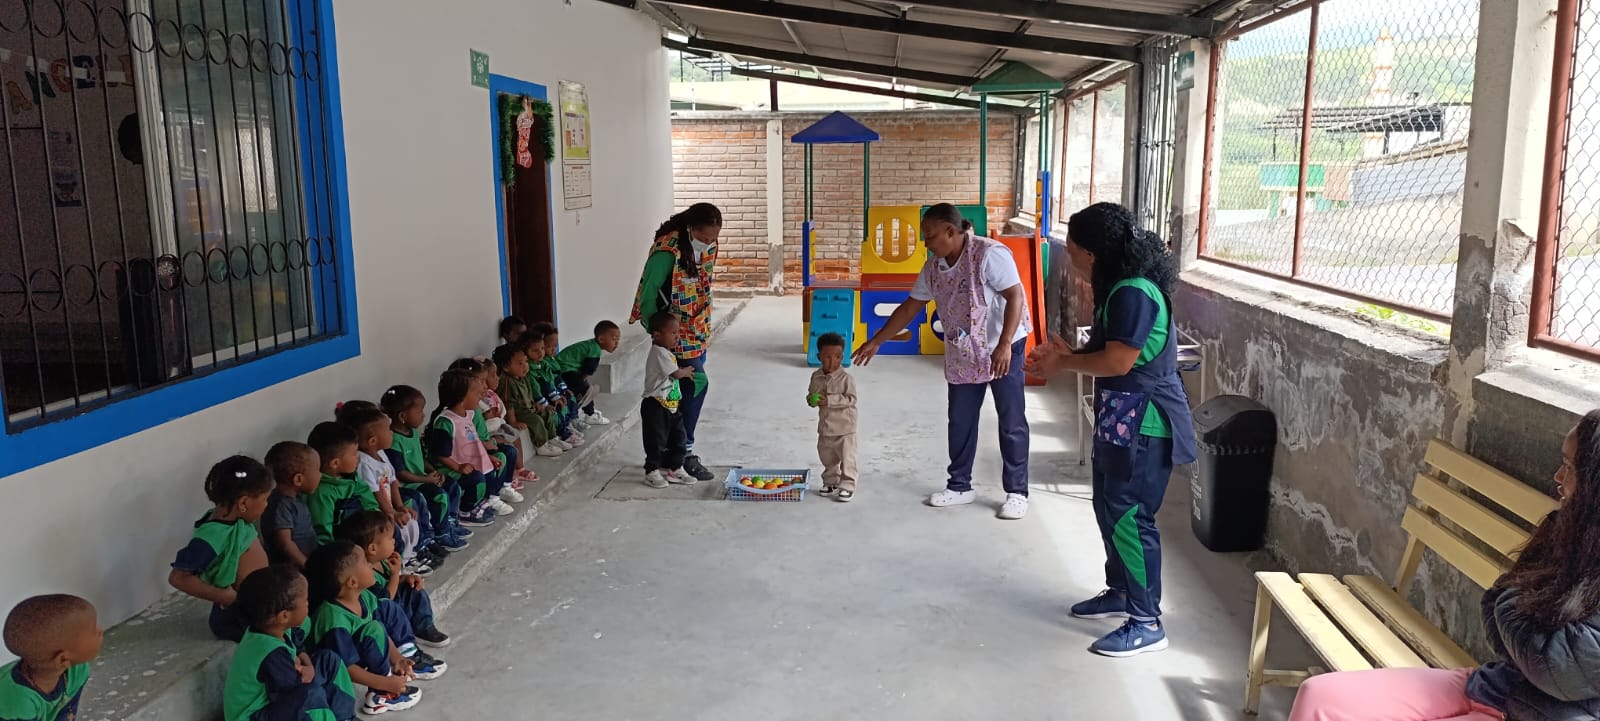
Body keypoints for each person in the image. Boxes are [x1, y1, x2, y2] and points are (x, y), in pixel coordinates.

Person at [1283, 409, 1600, 721]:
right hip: (1494, 687)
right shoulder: (1568, 531)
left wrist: (1518, 606)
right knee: (1319, 696)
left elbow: (1557, 667)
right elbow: (1496, 616)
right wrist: (1521, 615)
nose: (1557, 477)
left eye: (1569, 466)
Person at [1023, 202, 1196, 657]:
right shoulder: (1118, 288)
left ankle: (1146, 621)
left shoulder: (1134, 292)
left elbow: (1119, 362)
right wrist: (1066, 354)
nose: (1069, 256)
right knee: (1108, 505)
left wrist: (1064, 364)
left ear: (1092, 253)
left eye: (1072, 248)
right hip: (1121, 417)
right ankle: (1121, 590)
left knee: (1130, 515)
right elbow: (1108, 351)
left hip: (1146, 420)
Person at [853, 203, 1033, 521]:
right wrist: (877, 340)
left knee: (1011, 418)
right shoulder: (933, 268)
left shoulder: (989, 255)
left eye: (930, 235)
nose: (927, 243)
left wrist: (1005, 344)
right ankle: (960, 486)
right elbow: (910, 307)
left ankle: (1017, 492)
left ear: (951, 231)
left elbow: (1015, 296)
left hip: (1003, 345)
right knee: (960, 419)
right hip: (965, 350)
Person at [629, 202, 721, 482]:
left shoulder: (708, 247)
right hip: (673, 334)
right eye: (704, 238)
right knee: (696, 384)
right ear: (691, 228)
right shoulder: (666, 252)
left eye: (714, 238)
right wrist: (658, 334)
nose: (709, 243)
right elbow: (648, 294)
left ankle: (671, 455)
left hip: (697, 329)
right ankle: (684, 452)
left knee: (676, 395)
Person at [223, 565, 357, 721]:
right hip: (254, 716)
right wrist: (304, 673)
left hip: (274, 702)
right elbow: (295, 693)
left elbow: (298, 647)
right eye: (305, 601)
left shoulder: (273, 629)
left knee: (329, 661)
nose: (308, 604)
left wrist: (308, 666)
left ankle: (346, 718)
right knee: (310, 696)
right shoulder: (270, 653)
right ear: (284, 616)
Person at [304, 541, 421, 716]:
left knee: (375, 627)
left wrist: (397, 658)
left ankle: (383, 683)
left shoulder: (364, 596)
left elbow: (380, 633)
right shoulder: (333, 618)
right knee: (372, 629)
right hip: (335, 673)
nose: (371, 565)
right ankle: (379, 695)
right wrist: (384, 682)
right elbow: (347, 668)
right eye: (366, 562)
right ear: (352, 582)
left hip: (357, 655)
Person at [170, 455, 274, 641]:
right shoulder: (213, 536)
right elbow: (178, 578)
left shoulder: (235, 522)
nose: (266, 505)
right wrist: (225, 597)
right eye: (265, 500)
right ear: (243, 503)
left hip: (257, 604)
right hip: (238, 617)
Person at [335, 512, 451, 661]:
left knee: (414, 588)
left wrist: (405, 577)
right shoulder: (364, 574)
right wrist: (396, 575)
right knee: (389, 606)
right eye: (390, 539)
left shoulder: (382, 561)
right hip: (386, 616)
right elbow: (386, 598)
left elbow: (389, 583)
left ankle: (424, 626)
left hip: (396, 605)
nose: (394, 541)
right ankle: (405, 649)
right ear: (372, 549)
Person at [337, 404, 435, 576]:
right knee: (393, 532)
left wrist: (400, 506)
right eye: (388, 430)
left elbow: (393, 480)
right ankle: (400, 564)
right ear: (372, 440)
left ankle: (412, 554)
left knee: (410, 518)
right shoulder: (364, 463)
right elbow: (375, 493)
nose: (392, 433)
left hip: (389, 504)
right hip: (377, 510)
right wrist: (391, 512)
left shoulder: (381, 453)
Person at [380, 385, 470, 553]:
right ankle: (441, 532)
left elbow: (421, 459)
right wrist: (426, 480)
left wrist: (433, 471)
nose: (423, 415)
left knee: (452, 485)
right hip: (409, 484)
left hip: (422, 478)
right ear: (402, 416)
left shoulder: (413, 433)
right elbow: (401, 473)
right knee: (439, 496)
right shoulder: (393, 440)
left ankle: (451, 523)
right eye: (419, 411)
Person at [0, 595, 101, 721]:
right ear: (63, 660)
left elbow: (67, 713)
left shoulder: (78, 672)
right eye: (93, 631)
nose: (100, 631)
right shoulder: (17, 702)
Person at [425, 370, 500, 527]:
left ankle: (479, 503)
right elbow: (440, 454)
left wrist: (487, 457)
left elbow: (473, 443)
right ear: (461, 397)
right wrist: (458, 467)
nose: (480, 397)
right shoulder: (446, 422)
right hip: (449, 467)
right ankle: (466, 511)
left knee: (489, 471)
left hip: (466, 462)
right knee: (476, 479)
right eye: (476, 394)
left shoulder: (468, 415)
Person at [641, 312, 697, 489]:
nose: (677, 337)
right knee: (656, 440)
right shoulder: (658, 352)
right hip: (655, 404)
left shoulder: (666, 352)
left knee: (679, 438)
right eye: (673, 333)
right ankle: (652, 471)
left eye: (677, 333)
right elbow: (676, 374)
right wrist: (686, 372)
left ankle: (676, 468)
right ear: (657, 334)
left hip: (671, 405)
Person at [304, 423, 381, 545]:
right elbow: (323, 531)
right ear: (335, 463)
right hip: (342, 547)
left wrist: (378, 524)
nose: (358, 456)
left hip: (365, 536)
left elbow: (370, 504)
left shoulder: (352, 477)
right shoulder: (321, 493)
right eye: (354, 453)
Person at [808, 332, 859, 502]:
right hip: (826, 427)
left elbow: (851, 399)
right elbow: (811, 394)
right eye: (827, 357)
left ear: (842, 357)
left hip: (845, 427)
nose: (832, 361)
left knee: (847, 457)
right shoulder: (816, 376)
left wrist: (829, 400)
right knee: (826, 456)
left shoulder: (846, 379)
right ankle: (831, 482)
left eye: (837, 357)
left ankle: (847, 485)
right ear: (819, 357)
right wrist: (812, 400)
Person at [493, 345, 560, 459]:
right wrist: (513, 422)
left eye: (526, 361)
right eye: (520, 363)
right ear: (506, 367)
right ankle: (541, 445)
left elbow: (528, 395)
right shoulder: (508, 382)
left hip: (528, 408)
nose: (525, 366)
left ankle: (552, 438)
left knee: (547, 413)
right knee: (536, 420)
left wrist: (536, 405)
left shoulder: (523, 377)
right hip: (518, 412)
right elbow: (508, 403)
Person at [262, 442, 323, 569]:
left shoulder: (296, 499)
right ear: (298, 479)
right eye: (318, 470)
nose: (320, 475)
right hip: (292, 570)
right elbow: (285, 544)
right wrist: (308, 567)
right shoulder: (281, 505)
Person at [557, 320, 621, 426]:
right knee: (586, 390)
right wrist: (582, 384)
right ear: (601, 339)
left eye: (618, 340)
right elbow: (588, 371)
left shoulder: (591, 346)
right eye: (614, 339)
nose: (616, 344)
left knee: (582, 389)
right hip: (564, 369)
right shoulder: (594, 349)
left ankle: (581, 412)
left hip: (564, 369)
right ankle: (589, 415)